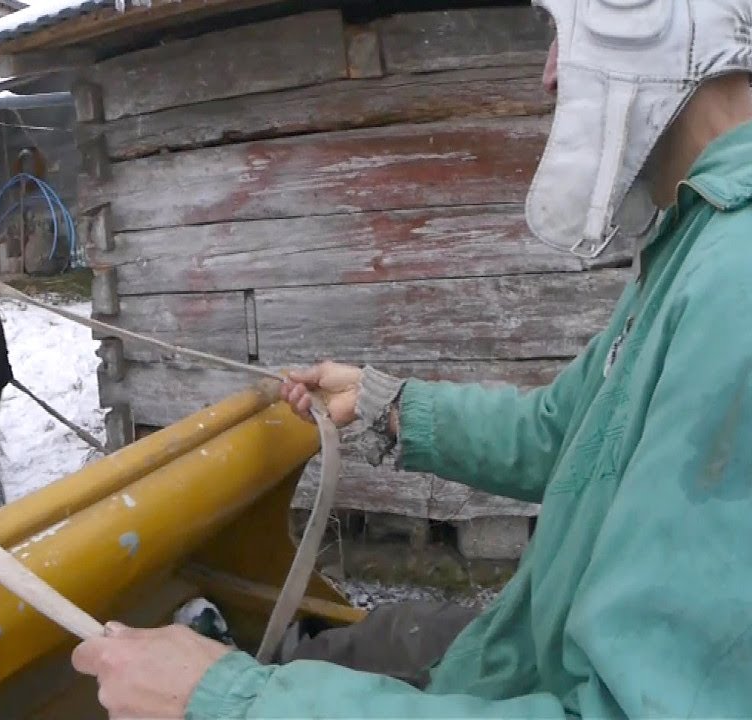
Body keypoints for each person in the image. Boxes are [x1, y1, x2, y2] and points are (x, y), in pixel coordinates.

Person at [71, 0, 752, 716]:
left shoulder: (734, 282)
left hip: (547, 680)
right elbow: (564, 435)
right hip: (531, 644)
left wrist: (229, 702)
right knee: (378, 635)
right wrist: (393, 408)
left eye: (559, 35)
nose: (550, 77)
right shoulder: (696, 244)